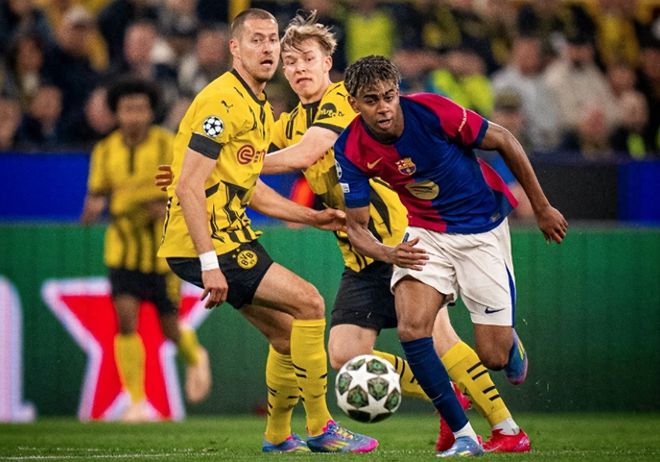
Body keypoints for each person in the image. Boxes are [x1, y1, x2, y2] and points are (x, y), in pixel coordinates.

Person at [262, 11, 530, 455]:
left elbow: (305, 153)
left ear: (328, 62)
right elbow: (248, 149)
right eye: (290, 62)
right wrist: (196, 166)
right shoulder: (287, 123)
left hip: (405, 238)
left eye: (308, 58)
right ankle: (449, 397)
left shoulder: (347, 101)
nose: (299, 68)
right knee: (344, 353)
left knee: (440, 338)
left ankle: (505, 426)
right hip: (360, 252)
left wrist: (232, 165)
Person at [157, 9, 377, 454]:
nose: (268, 48)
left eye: (273, 39)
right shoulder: (222, 102)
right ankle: (321, 426)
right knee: (310, 303)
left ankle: (278, 436)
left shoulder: (257, 106)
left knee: (286, 333)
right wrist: (209, 264)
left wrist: (312, 217)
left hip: (228, 236)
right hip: (211, 242)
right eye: (255, 39)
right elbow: (187, 185)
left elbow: (251, 188)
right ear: (234, 48)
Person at [334, 55, 568, 454]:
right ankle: (464, 435)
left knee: (493, 357)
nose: (383, 107)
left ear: (398, 92)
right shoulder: (351, 148)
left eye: (389, 96)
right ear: (354, 102)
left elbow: (505, 140)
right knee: (412, 329)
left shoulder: (431, 111)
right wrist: (389, 253)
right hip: (425, 232)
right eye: (371, 100)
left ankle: (508, 344)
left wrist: (542, 207)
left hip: (482, 229)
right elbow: (355, 227)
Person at [81, 78, 211, 422]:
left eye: (140, 108)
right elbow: (97, 192)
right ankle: (136, 402)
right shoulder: (104, 150)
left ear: (151, 112)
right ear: (117, 113)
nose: (134, 116)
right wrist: (92, 208)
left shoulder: (168, 144)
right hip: (121, 250)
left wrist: (156, 204)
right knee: (126, 321)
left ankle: (195, 355)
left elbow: (183, 189)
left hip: (162, 254)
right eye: (127, 109)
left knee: (170, 327)